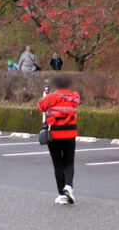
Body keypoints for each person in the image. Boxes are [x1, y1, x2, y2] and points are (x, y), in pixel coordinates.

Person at [38, 73, 81, 205]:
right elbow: (77, 101)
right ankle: (69, 186)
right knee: (69, 163)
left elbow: (40, 107)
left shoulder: (50, 98)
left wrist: (46, 96)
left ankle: (61, 194)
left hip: (55, 135)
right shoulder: (74, 97)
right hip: (70, 134)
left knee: (58, 165)